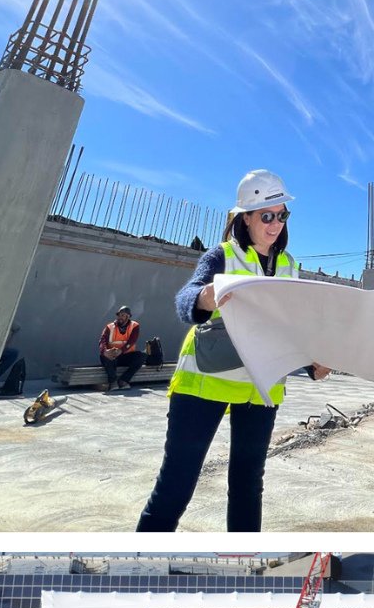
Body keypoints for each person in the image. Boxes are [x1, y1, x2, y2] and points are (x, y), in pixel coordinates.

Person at [136, 171, 329, 532]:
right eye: (266, 216)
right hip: (205, 382)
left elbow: (291, 327)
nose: (275, 224)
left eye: (282, 215)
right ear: (246, 218)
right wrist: (204, 297)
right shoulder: (222, 256)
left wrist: (311, 363)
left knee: (247, 487)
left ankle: (244, 555)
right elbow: (185, 300)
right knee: (176, 486)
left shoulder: (288, 266)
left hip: (261, 387)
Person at [99, 305, 145, 390]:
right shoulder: (110, 327)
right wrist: (105, 351)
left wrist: (121, 351)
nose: (120, 317)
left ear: (128, 316)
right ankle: (113, 382)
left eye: (122, 315)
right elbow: (102, 340)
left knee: (142, 356)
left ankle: (124, 380)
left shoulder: (135, 326)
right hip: (112, 356)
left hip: (125, 356)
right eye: (119, 315)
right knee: (104, 356)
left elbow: (132, 341)